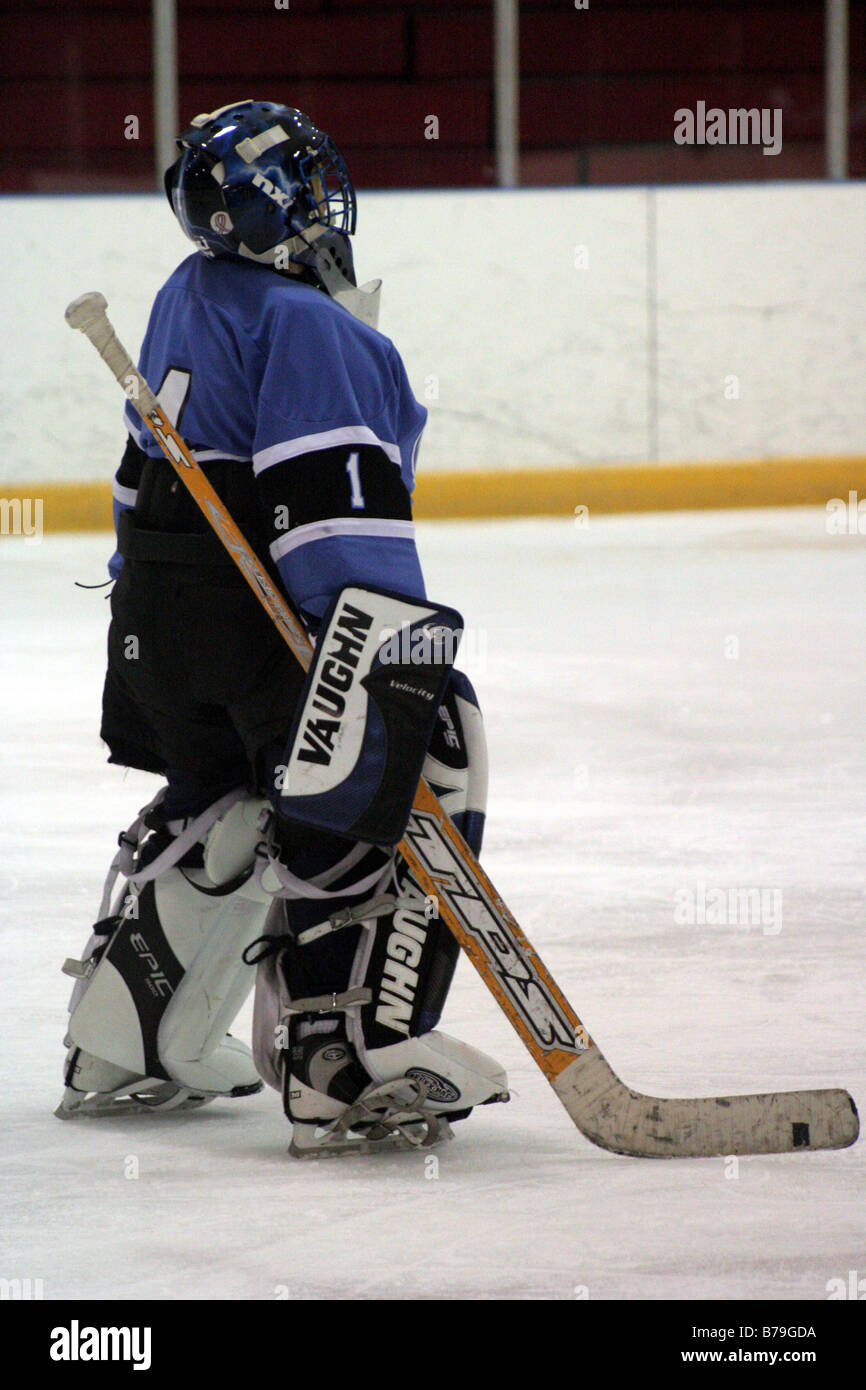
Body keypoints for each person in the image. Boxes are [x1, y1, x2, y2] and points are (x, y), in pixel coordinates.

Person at [58, 100, 508, 1155]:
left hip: (155, 633)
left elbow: (142, 487)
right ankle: (343, 1057)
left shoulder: (186, 293)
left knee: (223, 791)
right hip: (250, 627)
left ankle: (126, 1038)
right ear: (285, 204)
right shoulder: (316, 328)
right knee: (425, 733)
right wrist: (385, 676)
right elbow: (337, 541)